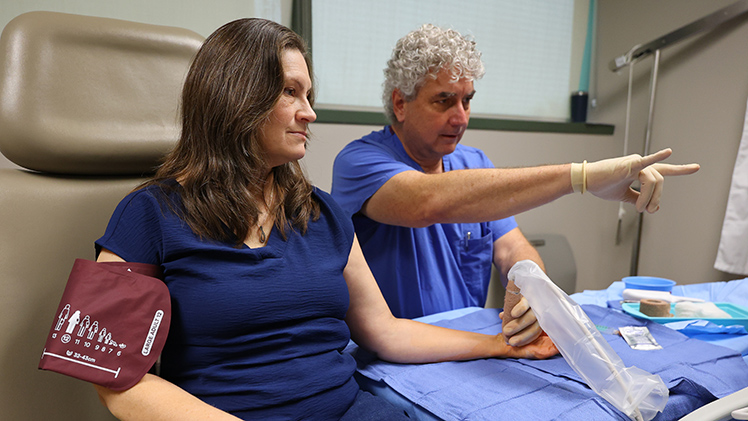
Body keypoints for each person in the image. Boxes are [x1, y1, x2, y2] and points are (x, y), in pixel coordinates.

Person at [91, 18, 558, 421]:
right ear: (235, 97)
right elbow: (112, 377)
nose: (309, 112)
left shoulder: (322, 212)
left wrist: (501, 345)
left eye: (308, 94)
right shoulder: (148, 213)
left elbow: (386, 332)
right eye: (291, 92)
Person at [331, 24, 700, 343]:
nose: (460, 118)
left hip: (468, 345)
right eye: (444, 101)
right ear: (400, 103)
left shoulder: (474, 163)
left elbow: (513, 249)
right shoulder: (358, 163)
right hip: (397, 354)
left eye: (467, 101)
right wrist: (581, 176)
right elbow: (426, 203)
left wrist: (528, 287)